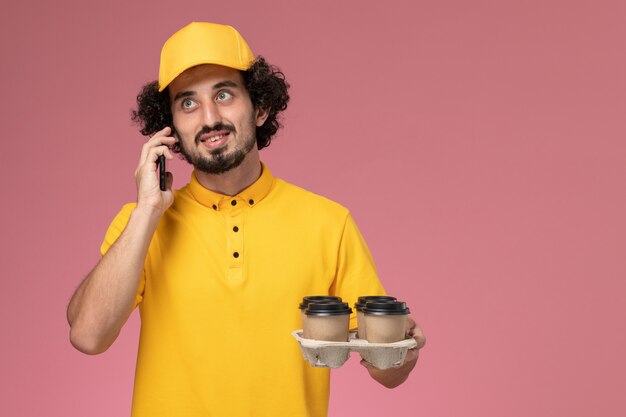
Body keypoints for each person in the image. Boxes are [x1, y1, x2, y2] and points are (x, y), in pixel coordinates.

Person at [67, 22, 426, 417]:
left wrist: (401, 351)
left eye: (224, 94)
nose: (208, 118)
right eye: (187, 103)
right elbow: (87, 336)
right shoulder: (141, 224)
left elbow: (386, 371)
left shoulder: (328, 222)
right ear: (169, 129)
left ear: (261, 107)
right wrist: (147, 212)